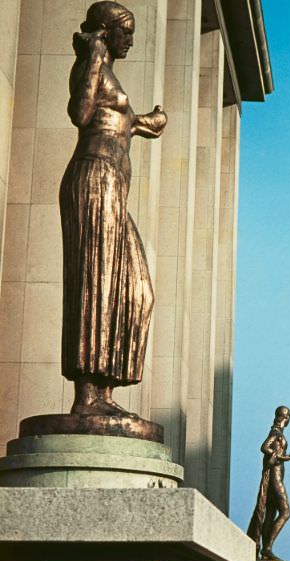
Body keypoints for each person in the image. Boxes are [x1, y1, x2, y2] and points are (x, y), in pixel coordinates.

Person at [61, 1, 167, 416]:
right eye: (126, 32)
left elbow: (114, 119)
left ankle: (104, 391)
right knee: (96, 282)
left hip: (113, 185)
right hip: (94, 178)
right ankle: (87, 396)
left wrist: (144, 122)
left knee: (136, 290)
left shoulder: (108, 72)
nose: (132, 41)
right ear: (106, 31)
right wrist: (94, 54)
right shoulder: (93, 63)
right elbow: (82, 112)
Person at [246, 406, 290, 561]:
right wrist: (281, 457)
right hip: (275, 476)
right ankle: (267, 547)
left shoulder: (278, 432)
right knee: (285, 512)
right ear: (286, 418)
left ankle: (266, 549)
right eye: (287, 416)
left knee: (270, 513)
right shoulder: (276, 432)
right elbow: (264, 447)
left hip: (277, 474)